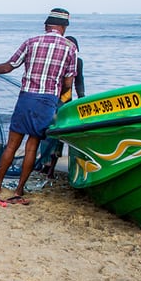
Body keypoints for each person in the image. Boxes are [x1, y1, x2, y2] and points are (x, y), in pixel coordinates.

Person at [0, 7, 77, 205]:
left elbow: (8, 66)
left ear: (46, 25)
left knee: (13, 144)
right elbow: (67, 83)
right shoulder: (70, 48)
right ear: (63, 27)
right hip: (47, 101)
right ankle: (19, 189)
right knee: (32, 147)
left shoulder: (32, 42)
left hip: (27, 97)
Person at [40, 34, 85, 177]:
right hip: (51, 99)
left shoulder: (78, 62)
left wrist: (82, 99)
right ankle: (44, 164)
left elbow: (79, 82)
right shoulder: (55, 60)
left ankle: (51, 168)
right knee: (46, 134)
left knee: (57, 136)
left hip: (65, 103)